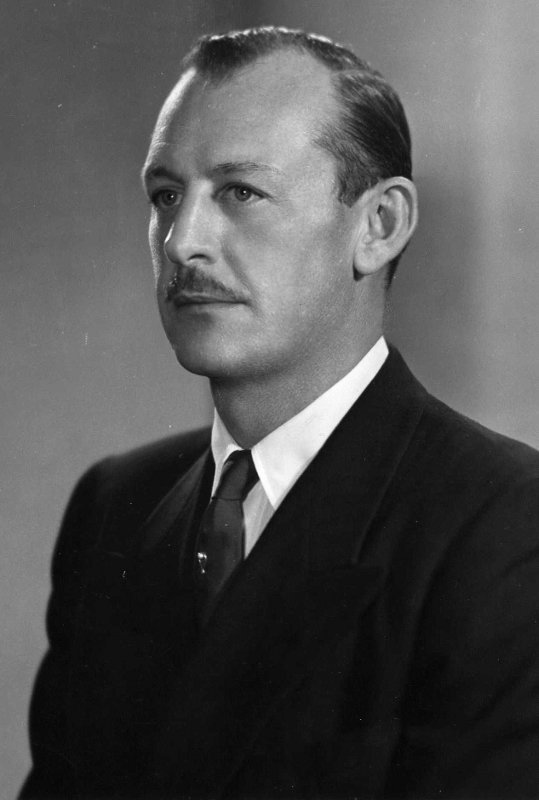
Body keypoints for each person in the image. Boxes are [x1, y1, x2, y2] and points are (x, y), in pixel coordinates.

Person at [21, 26, 539, 800]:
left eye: (240, 192)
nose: (183, 243)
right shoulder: (114, 508)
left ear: (379, 225)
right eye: (166, 196)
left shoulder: (502, 523)